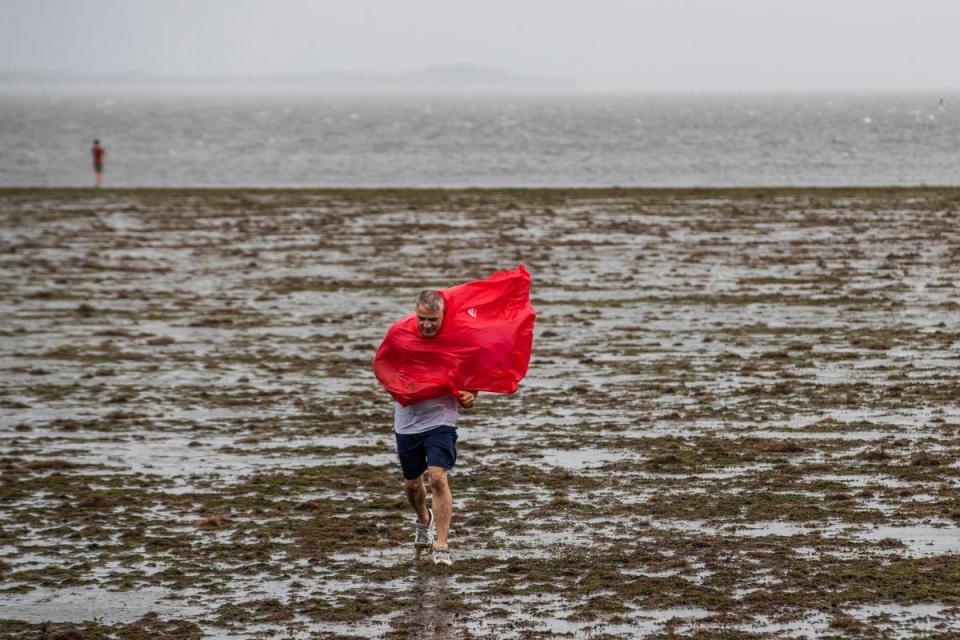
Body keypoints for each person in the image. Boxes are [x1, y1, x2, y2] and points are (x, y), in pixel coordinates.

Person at [394, 290, 476, 566]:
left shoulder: (457, 341)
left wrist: (470, 395)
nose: (426, 325)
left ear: (443, 315)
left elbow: (471, 376)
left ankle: (441, 546)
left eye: (432, 319)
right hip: (408, 420)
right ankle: (423, 518)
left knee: (438, 478)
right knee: (412, 484)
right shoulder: (401, 338)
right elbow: (387, 369)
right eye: (422, 319)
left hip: (441, 418)